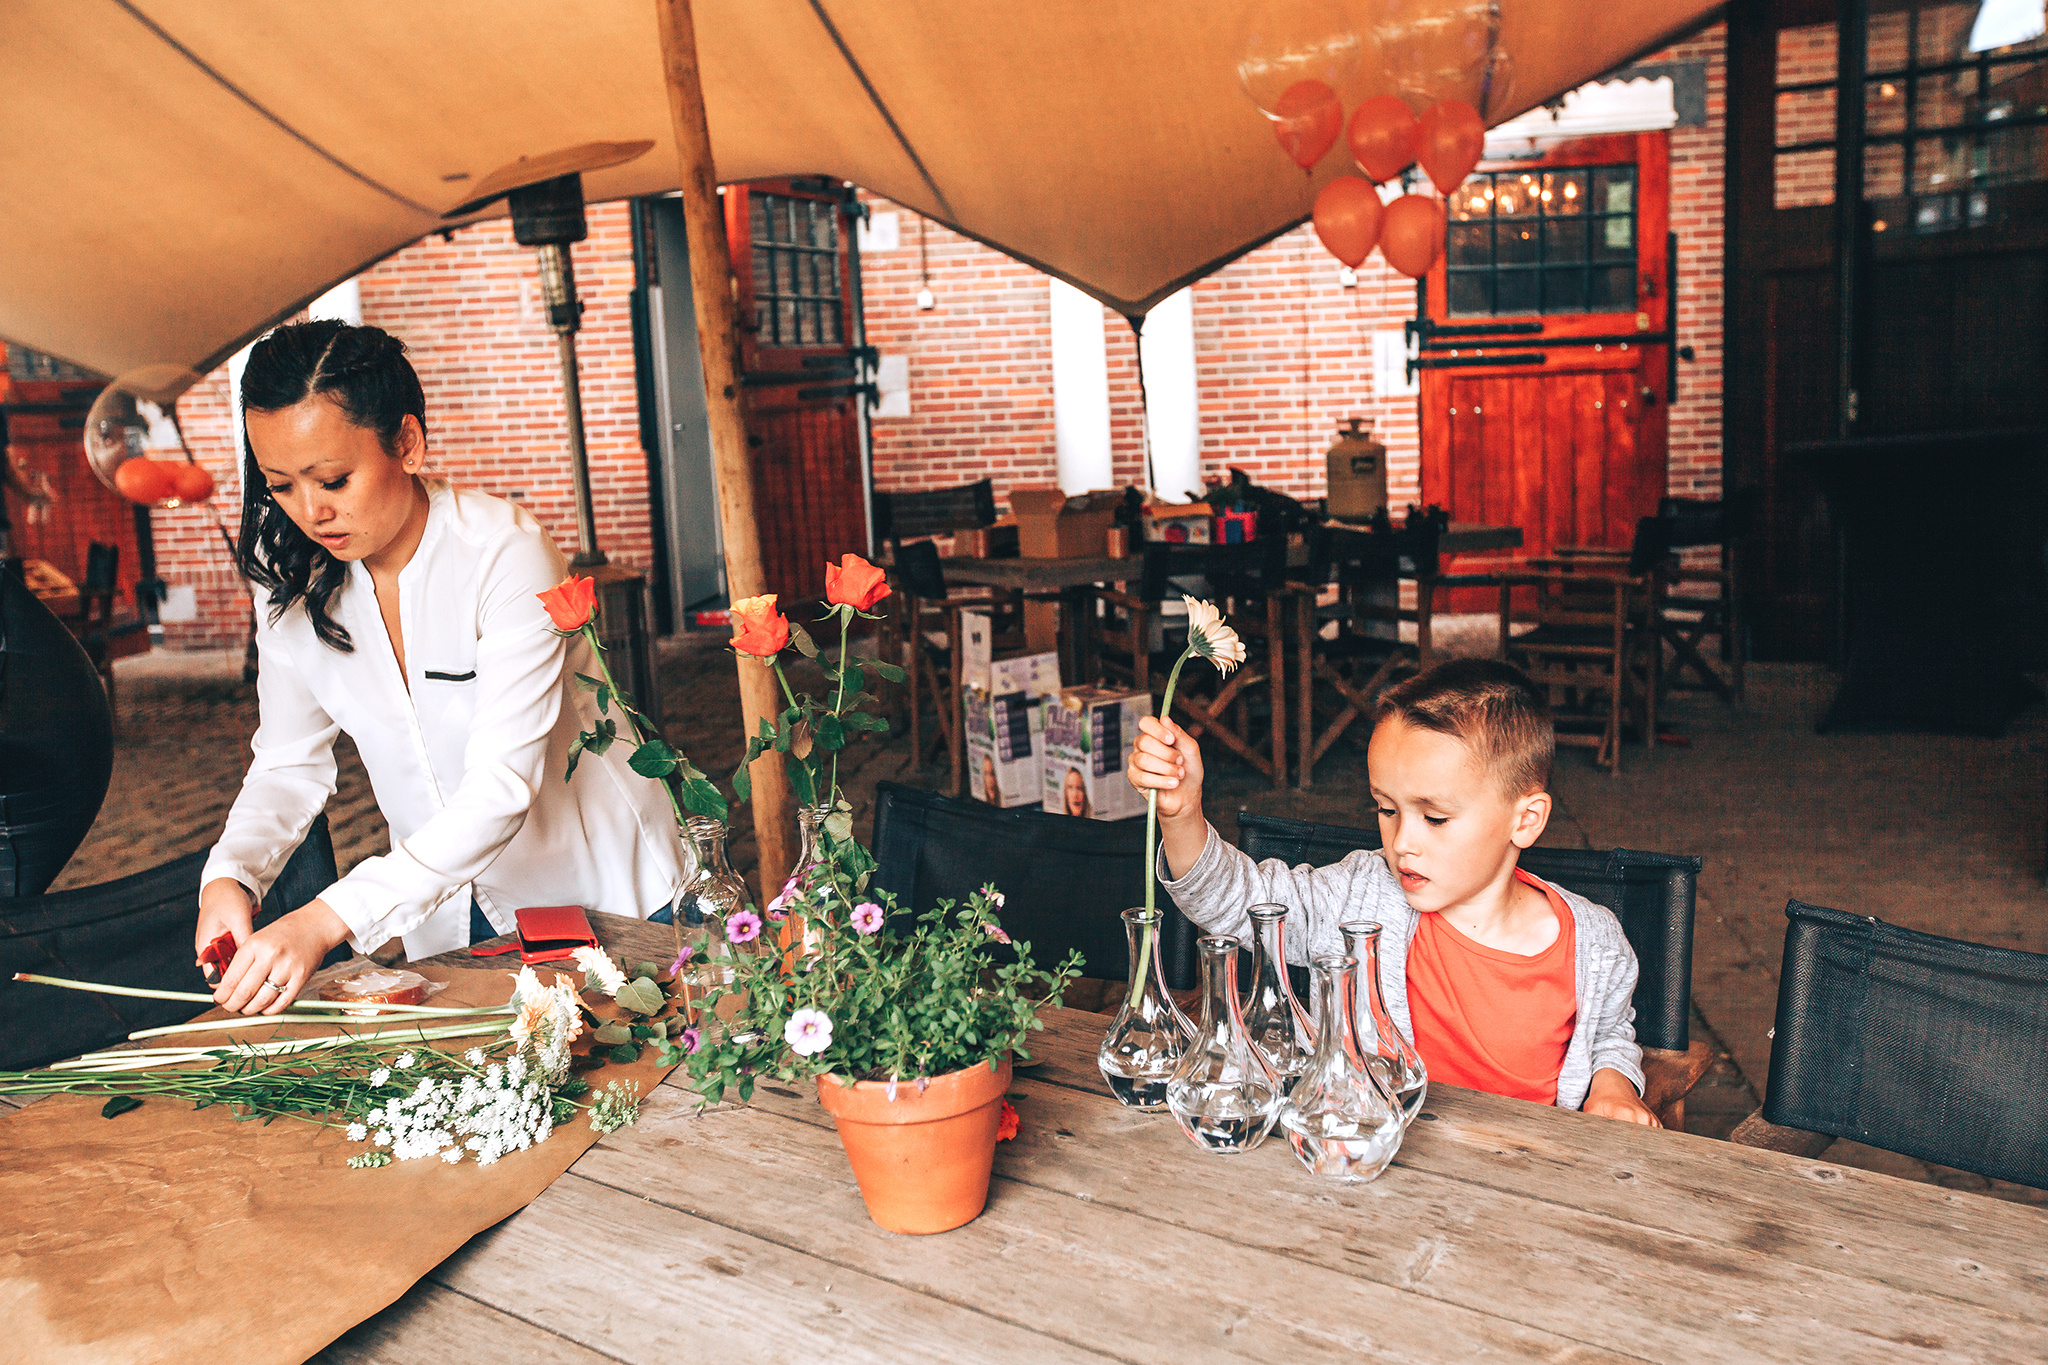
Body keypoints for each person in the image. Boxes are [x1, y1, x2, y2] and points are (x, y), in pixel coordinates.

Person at [196, 320, 692, 1014]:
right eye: (280, 485)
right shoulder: (292, 580)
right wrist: (230, 877)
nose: (311, 512)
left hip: (609, 895)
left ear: (406, 442)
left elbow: (500, 787)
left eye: (333, 479)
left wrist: (325, 919)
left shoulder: (506, 555)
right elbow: (287, 763)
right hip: (446, 913)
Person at [1126, 658, 1656, 1124]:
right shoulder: (1359, 896)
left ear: (1526, 820)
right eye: (1386, 809)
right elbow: (1237, 902)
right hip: (1373, 1166)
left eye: (1435, 817)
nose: (1402, 842)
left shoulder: (1595, 945)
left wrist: (1613, 1087)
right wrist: (1182, 814)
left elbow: (1611, 1036)